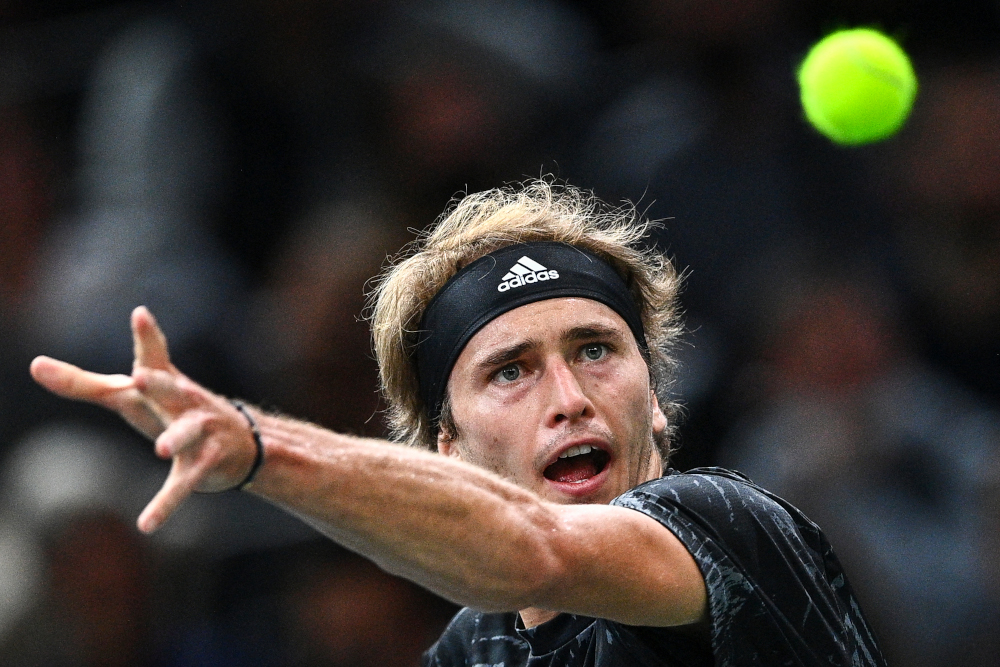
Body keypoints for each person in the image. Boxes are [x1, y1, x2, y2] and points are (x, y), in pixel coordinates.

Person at [30, 180, 885, 666]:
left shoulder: (728, 526)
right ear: (449, 449)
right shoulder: (472, 652)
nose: (569, 396)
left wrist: (261, 449)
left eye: (594, 349)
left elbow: (535, 549)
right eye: (511, 370)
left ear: (655, 398)